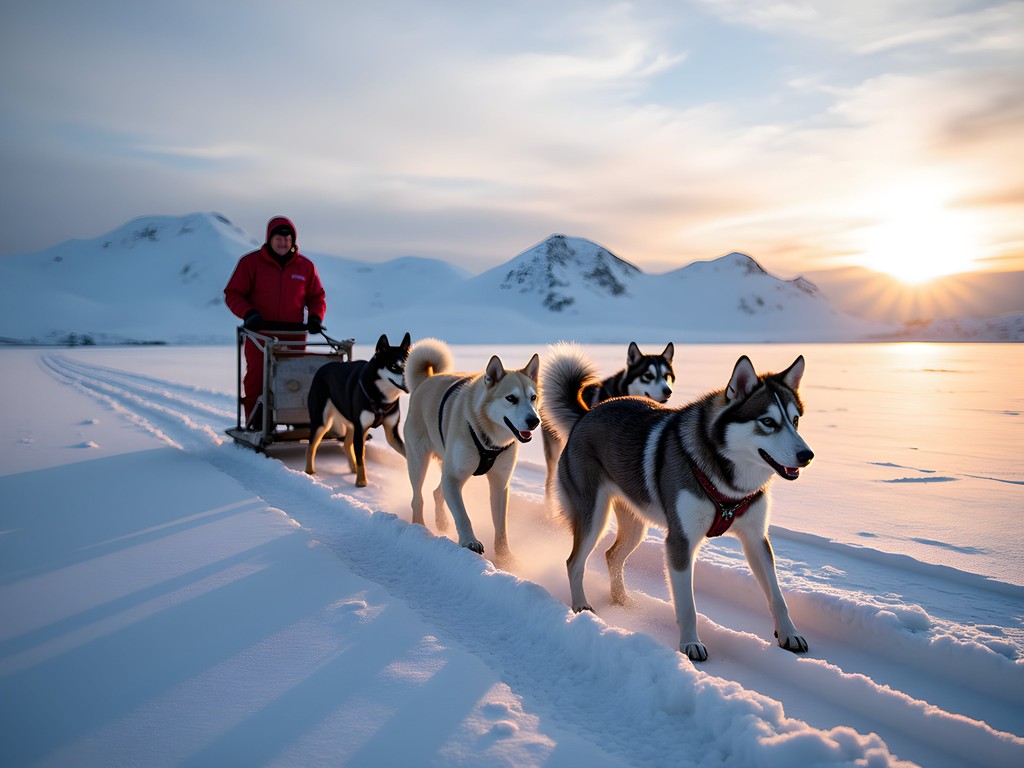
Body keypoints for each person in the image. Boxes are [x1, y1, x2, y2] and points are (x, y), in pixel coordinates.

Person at [225, 215, 327, 426]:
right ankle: (257, 423)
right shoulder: (250, 263)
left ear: (293, 241)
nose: (283, 243)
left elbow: (317, 297)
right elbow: (233, 294)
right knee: (257, 378)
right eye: (278, 238)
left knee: (296, 378)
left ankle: (299, 420)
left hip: (294, 335)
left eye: (287, 239)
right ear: (269, 239)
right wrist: (249, 313)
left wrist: (316, 317)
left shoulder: (305, 267)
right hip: (260, 334)